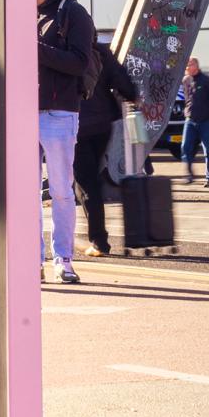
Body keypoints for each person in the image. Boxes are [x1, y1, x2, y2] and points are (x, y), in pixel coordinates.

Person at [37, 0, 95, 283]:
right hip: (22, 112)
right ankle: (33, 259)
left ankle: (63, 258)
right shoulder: (20, 12)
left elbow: (80, 63)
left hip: (59, 114)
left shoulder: (73, 13)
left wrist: (36, 50)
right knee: (25, 193)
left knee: (60, 191)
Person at [74, 39, 138, 258]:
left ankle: (99, 241)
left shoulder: (66, 48)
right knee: (90, 181)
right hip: (102, 125)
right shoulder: (100, 51)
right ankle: (98, 238)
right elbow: (123, 82)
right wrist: (133, 97)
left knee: (85, 185)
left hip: (76, 125)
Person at [181, 57, 209, 187]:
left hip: (205, 121)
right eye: (186, 65)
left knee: (207, 150)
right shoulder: (186, 81)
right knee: (185, 147)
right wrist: (188, 111)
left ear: (196, 66)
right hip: (190, 120)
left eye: (189, 65)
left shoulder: (207, 81)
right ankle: (189, 175)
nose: (187, 67)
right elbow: (187, 99)